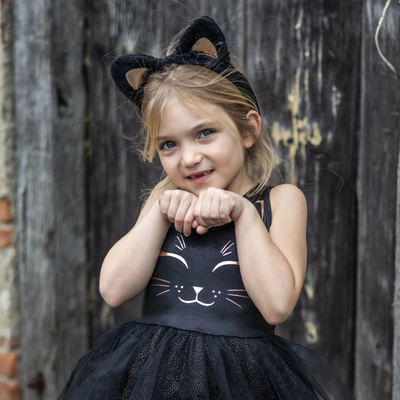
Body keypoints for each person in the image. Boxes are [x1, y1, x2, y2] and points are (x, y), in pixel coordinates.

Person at [59, 16, 355, 400]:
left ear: (248, 130)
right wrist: (159, 214)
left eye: (204, 133)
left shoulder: (281, 202)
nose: (189, 157)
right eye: (169, 144)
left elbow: (277, 306)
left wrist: (245, 216)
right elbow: (114, 290)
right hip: (152, 376)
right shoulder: (163, 197)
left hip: (241, 380)